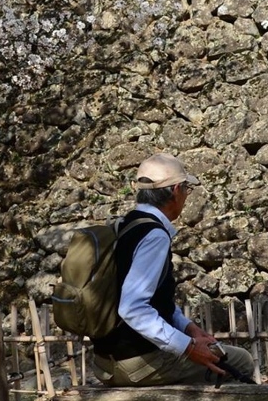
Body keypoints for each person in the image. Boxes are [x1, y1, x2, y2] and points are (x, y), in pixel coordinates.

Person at [92, 152, 256, 388]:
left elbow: (153, 298)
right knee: (239, 361)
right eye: (187, 190)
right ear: (177, 190)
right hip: (134, 364)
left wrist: (187, 327)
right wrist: (188, 347)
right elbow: (133, 308)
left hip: (106, 362)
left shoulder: (126, 225)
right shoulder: (154, 235)